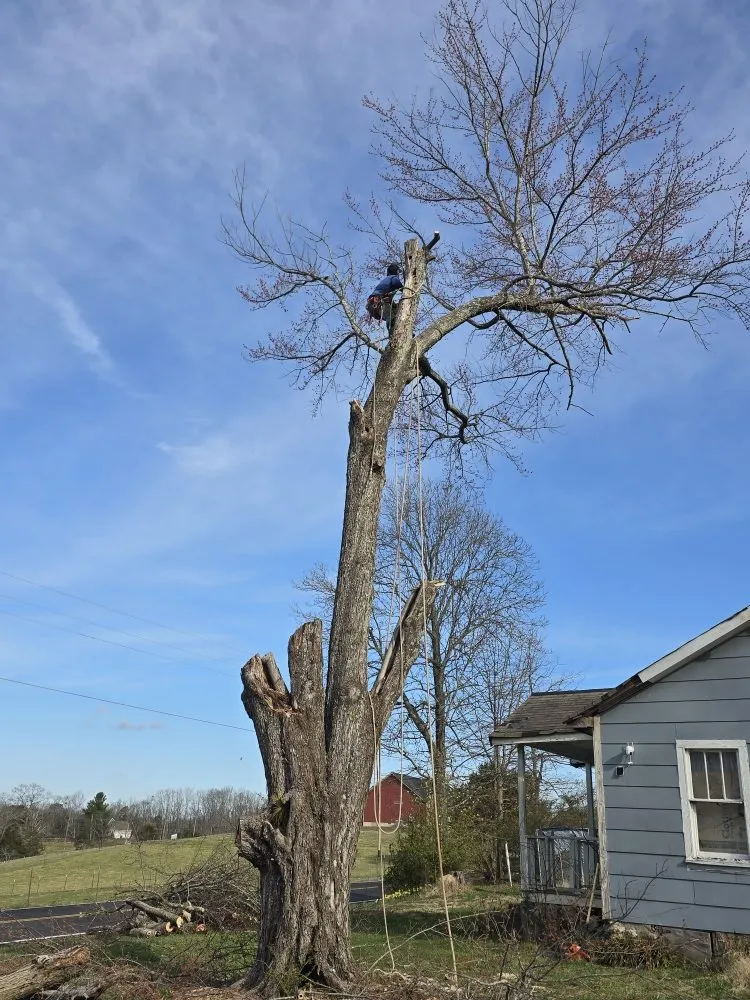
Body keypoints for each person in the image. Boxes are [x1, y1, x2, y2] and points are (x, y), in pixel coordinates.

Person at [366, 263, 403, 332]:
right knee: (391, 318)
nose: (398, 274)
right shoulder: (393, 277)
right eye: (398, 272)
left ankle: (403, 328)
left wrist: (397, 305)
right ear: (396, 271)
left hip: (373, 306)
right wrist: (405, 290)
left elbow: (388, 299)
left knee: (397, 311)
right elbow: (397, 284)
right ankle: (394, 333)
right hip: (378, 303)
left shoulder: (386, 281)